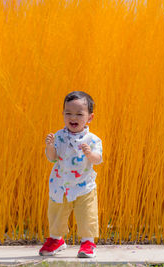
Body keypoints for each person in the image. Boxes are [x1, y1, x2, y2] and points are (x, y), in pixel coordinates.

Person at [39, 91, 103, 258]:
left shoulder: (93, 140)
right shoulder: (59, 137)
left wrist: (90, 154)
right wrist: (50, 146)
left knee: (86, 214)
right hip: (60, 185)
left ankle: (88, 242)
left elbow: (98, 159)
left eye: (79, 114)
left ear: (90, 117)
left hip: (84, 186)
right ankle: (56, 239)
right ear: (63, 114)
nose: (73, 118)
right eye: (68, 113)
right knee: (57, 213)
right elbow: (52, 159)